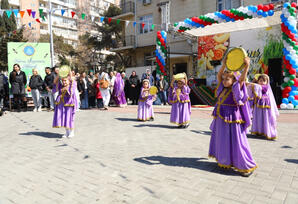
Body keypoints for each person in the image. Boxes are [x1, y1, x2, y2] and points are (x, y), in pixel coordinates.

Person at [209, 57, 257, 177]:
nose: (224, 81)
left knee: (236, 140)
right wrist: (224, 64)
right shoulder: (222, 88)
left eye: (228, 79)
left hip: (233, 117)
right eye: (224, 79)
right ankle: (225, 160)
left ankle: (244, 165)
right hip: (221, 117)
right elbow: (219, 75)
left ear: (234, 79)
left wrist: (246, 67)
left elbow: (241, 79)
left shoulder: (236, 88)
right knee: (222, 139)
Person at [251, 74, 279, 140]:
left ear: (267, 82)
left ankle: (266, 131)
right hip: (258, 104)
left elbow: (260, 89)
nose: (262, 82)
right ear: (258, 81)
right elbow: (253, 88)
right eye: (260, 81)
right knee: (258, 117)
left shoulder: (265, 87)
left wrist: (252, 84)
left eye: (264, 81)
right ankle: (259, 130)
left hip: (264, 104)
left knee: (265, 117)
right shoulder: (257, 86)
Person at [52, 72, 77, 138]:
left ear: (69, 81)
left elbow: (72, 92)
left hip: (69, 103)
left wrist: (70, 74)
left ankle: (72, 132)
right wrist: (58, 74)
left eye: (65, 81)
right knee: (64, 117)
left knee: (70, 117)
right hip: (62, 103)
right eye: (63, 81)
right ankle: (67, 132)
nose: (64, 82)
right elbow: (55, 82)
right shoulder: (61, 86)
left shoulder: (72, 84)